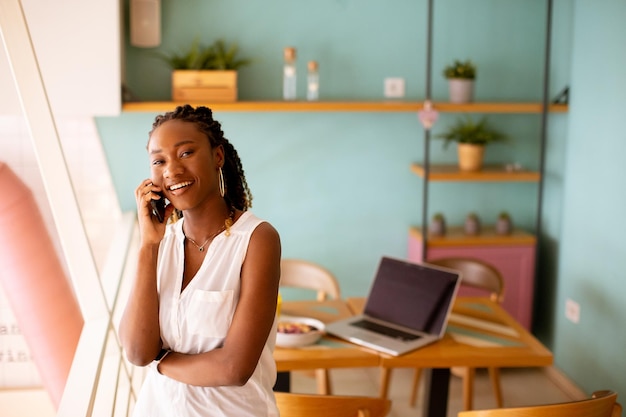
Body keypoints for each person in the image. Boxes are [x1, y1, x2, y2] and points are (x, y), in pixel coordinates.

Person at [119, 104, 281, 416]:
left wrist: (163, 361)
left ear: (217, 156)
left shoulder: (257, 240)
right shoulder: (161, 244)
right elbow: (138, 352)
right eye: (159, 160)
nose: (172, 170)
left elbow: (234, 368)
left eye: (185, 153)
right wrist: (148, 246)